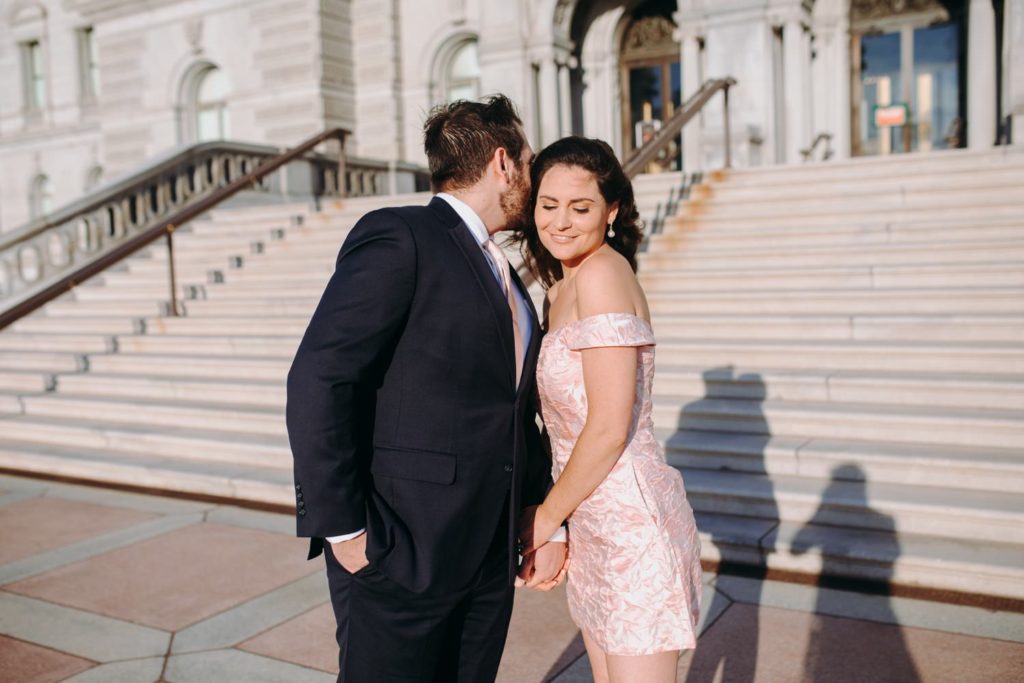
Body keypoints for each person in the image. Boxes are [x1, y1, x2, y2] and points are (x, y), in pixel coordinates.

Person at [286, 95, 567, 683]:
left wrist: (540, 515)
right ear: (503, 163)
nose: (533, 174)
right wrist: (347, 533)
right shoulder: (400, 235)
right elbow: (320, 376)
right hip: (400, 554)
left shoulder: (507, 274)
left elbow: (512, 413)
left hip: (488, 559)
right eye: (529, 159)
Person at [515, 136, 703, 683]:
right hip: (594, 520)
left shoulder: (601, 275)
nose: (561, 222)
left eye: (581, 207)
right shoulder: (562, 283)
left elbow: (606, 427)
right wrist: (565, 525)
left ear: (612, 210)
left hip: (630, 525)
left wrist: (544, 522)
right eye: (548, 206)